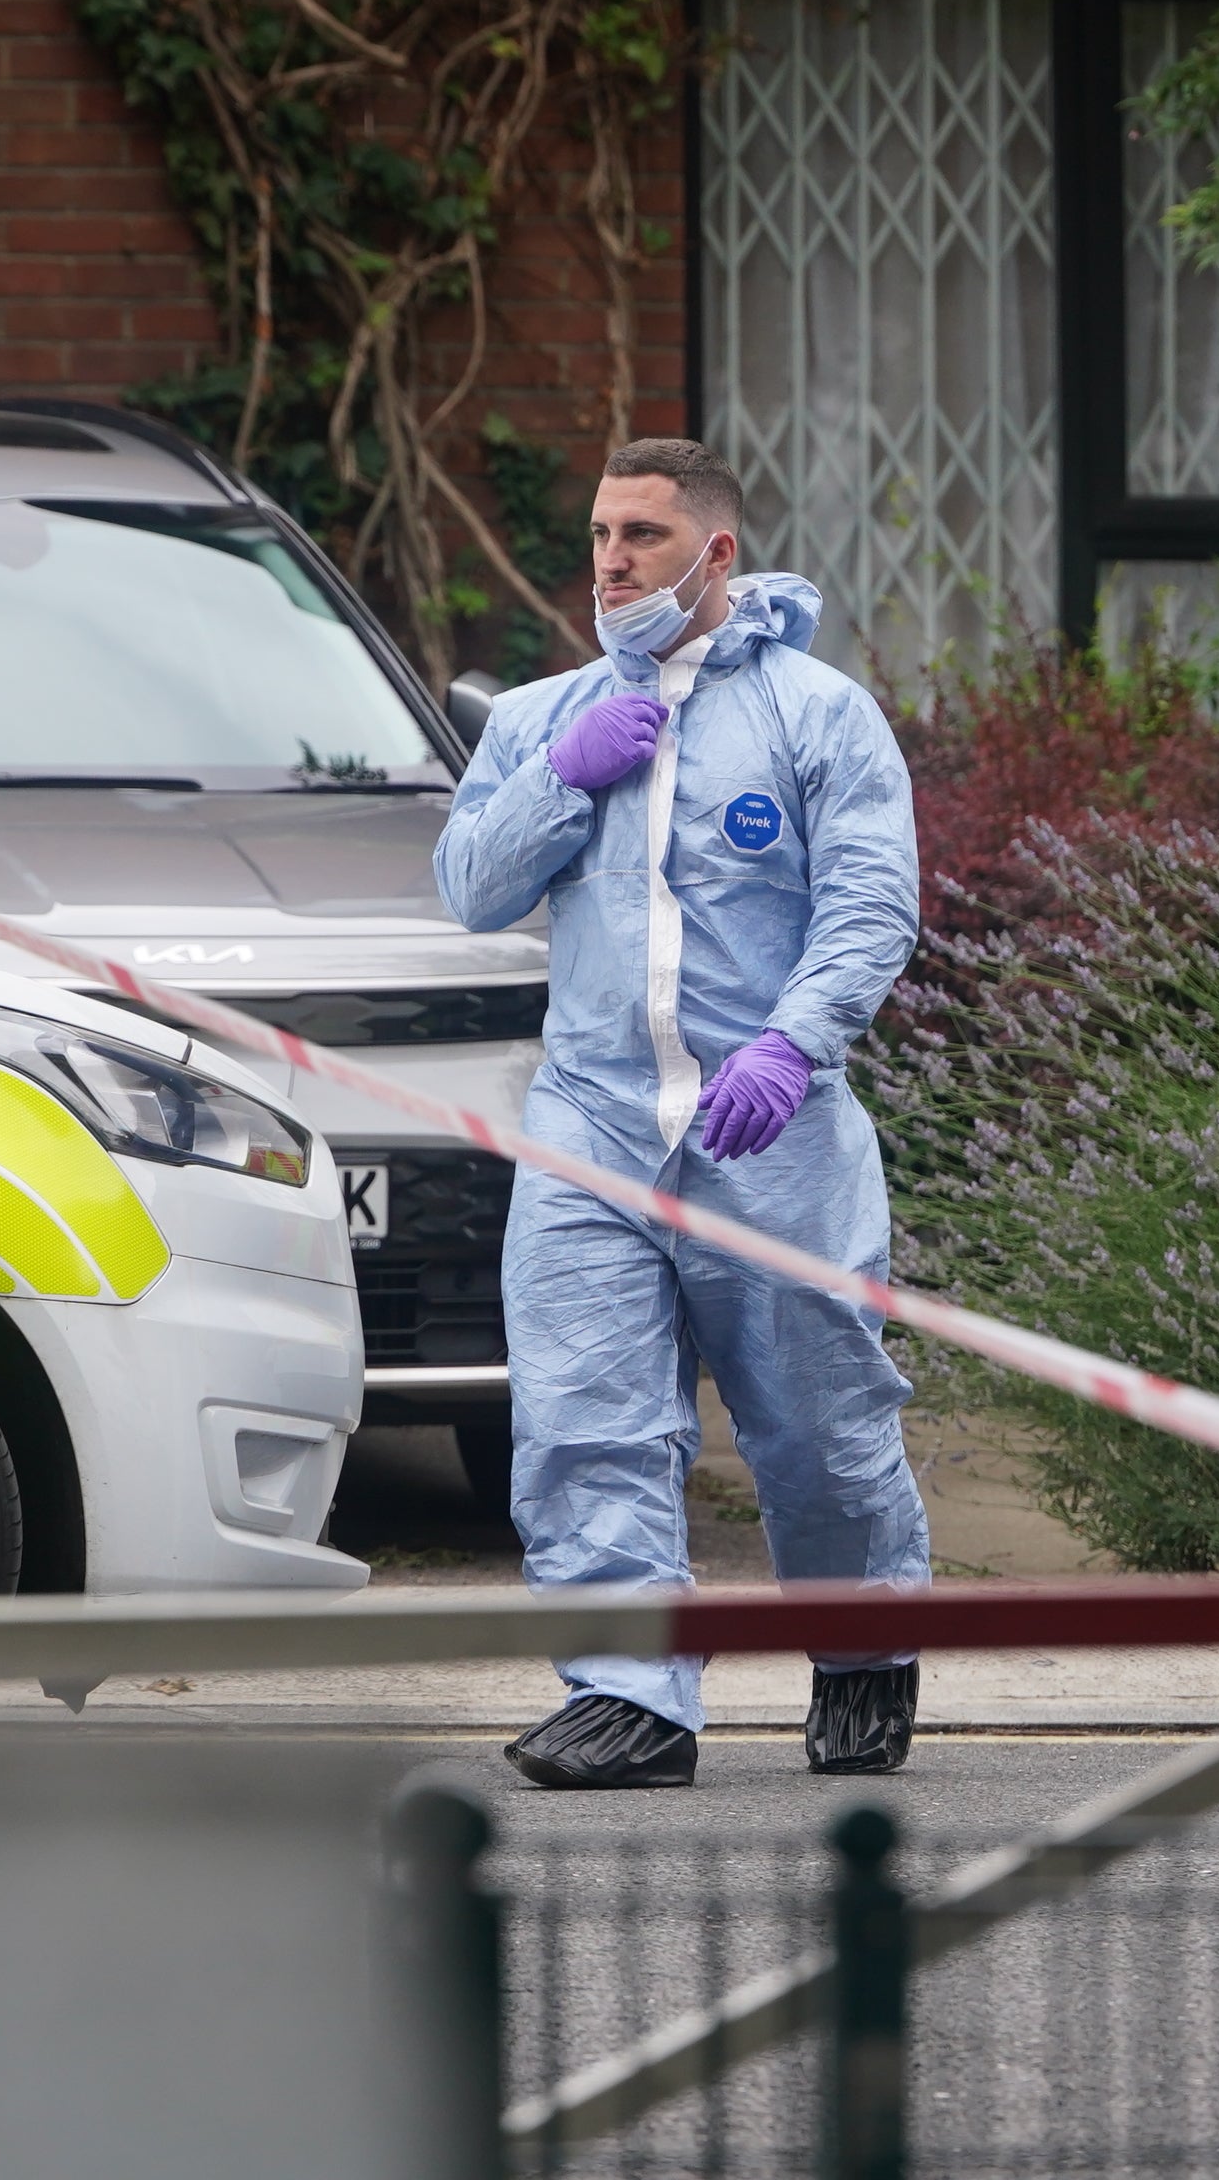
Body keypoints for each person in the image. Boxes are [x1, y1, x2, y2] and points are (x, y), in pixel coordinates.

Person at [433, 438, 932, 1789]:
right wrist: (561, 778)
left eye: (643, 536)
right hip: (591, 1128)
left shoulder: (817, 716)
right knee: (585, 1418)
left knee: (821, 1424)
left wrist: (793, 1044)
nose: (609, 562)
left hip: (769, 1131)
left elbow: (873, 905)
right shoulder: (543, 718)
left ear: (716, 555)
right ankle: (632, 1698)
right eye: (599, 534)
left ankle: (865, 1649)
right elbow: (469, 886)